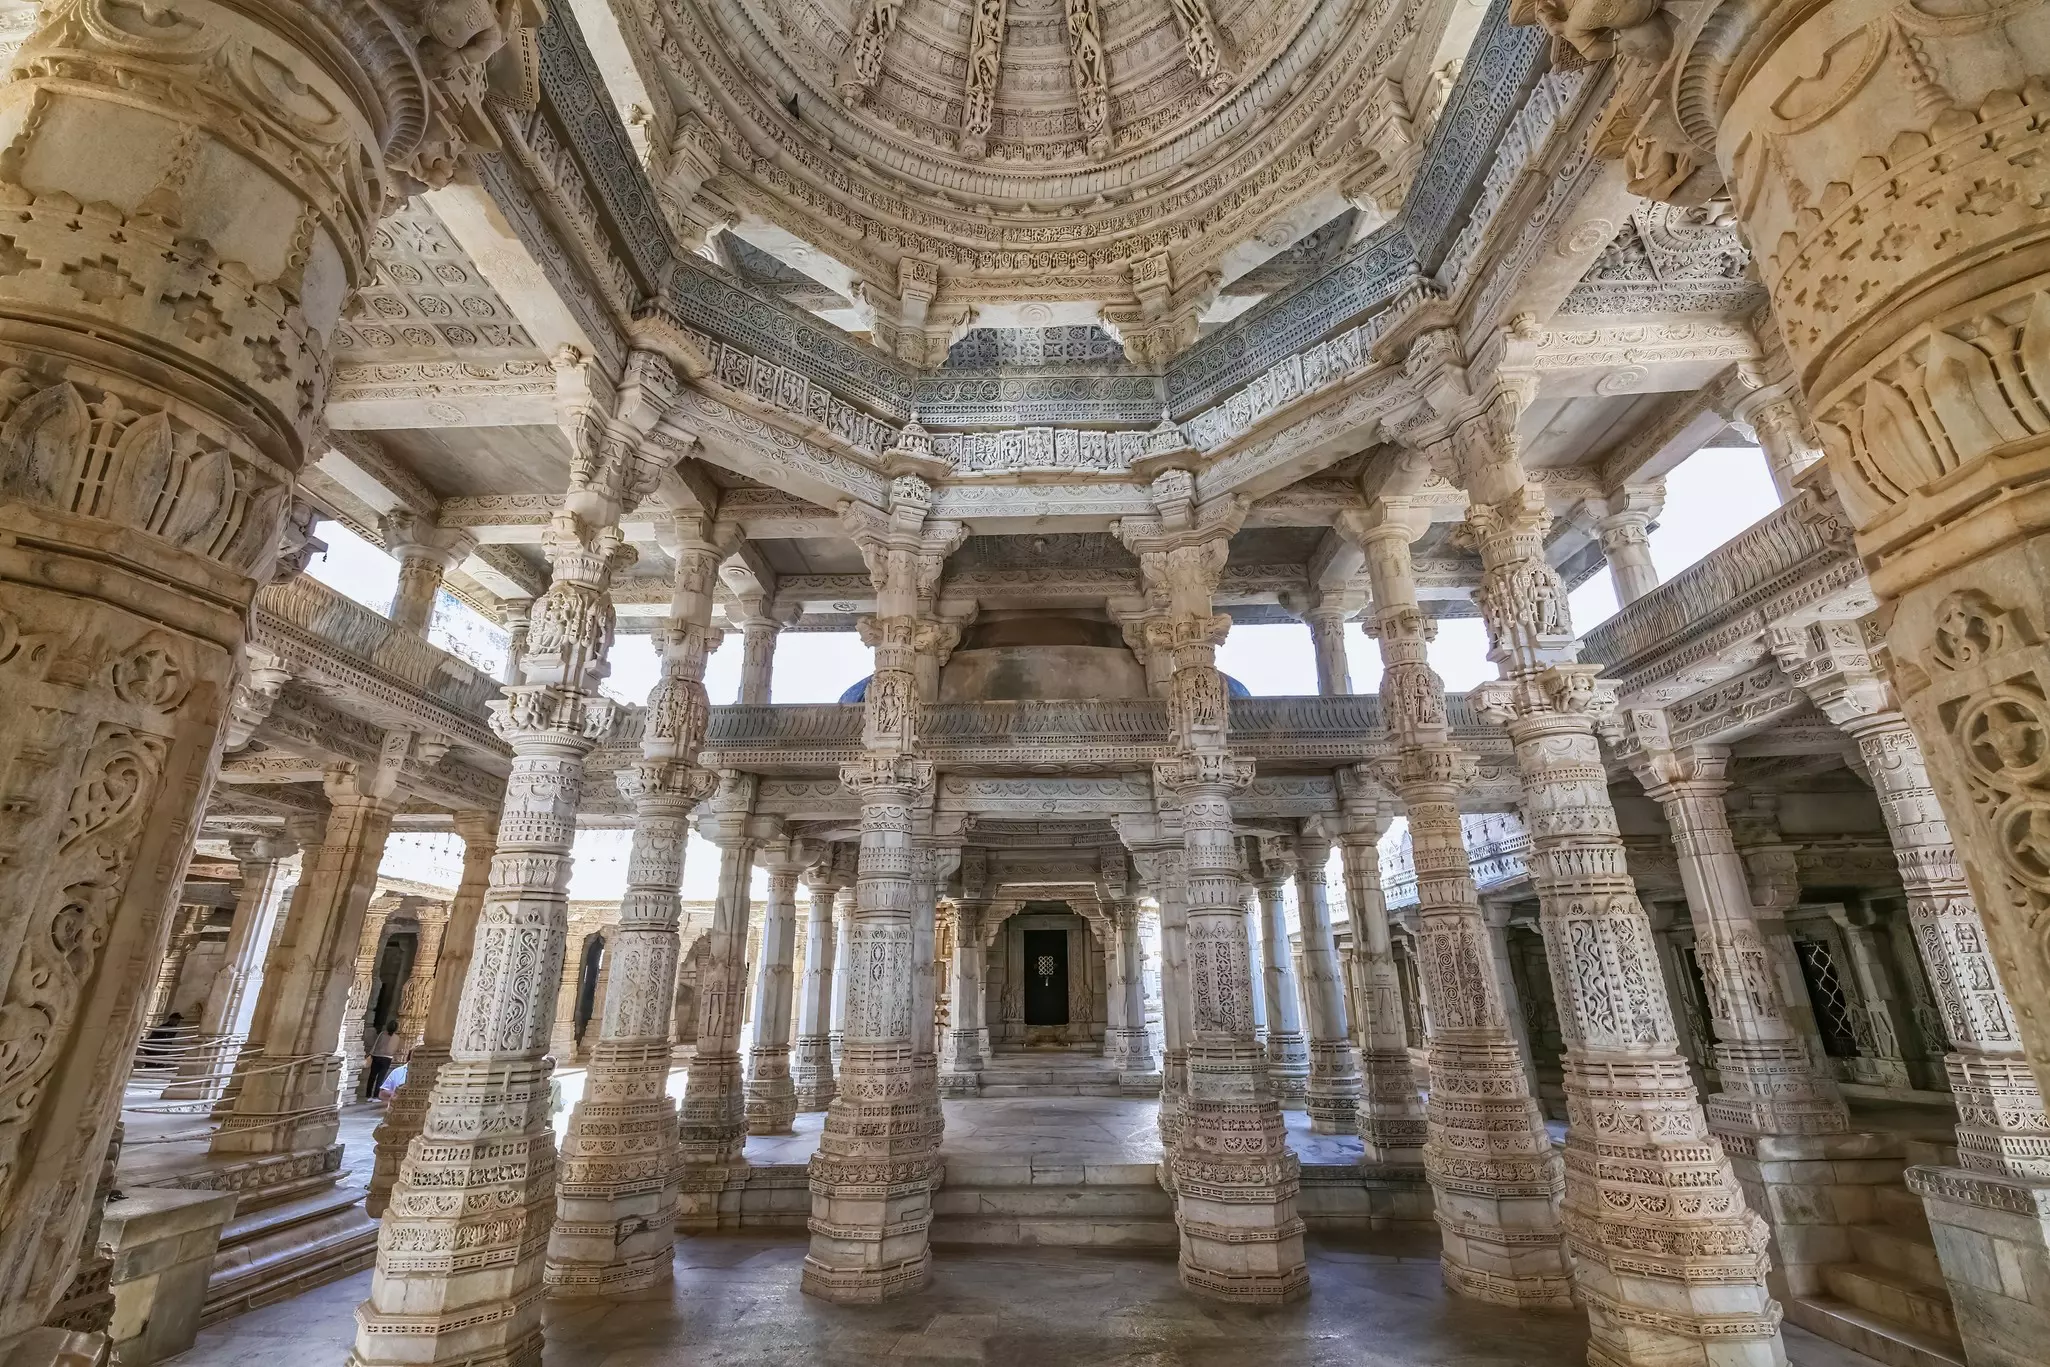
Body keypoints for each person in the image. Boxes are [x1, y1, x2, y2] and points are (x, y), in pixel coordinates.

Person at [364, 1021, 399, 1100]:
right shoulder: (396, 1038)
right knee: (381, 1078)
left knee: (372, 1076)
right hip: (387, 1058)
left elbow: (376, 1044)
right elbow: (395, 1049)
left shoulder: (382, 1034)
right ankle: (376, 1096)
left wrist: (371, 1054)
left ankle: (368, 1095)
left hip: (377, 1056)